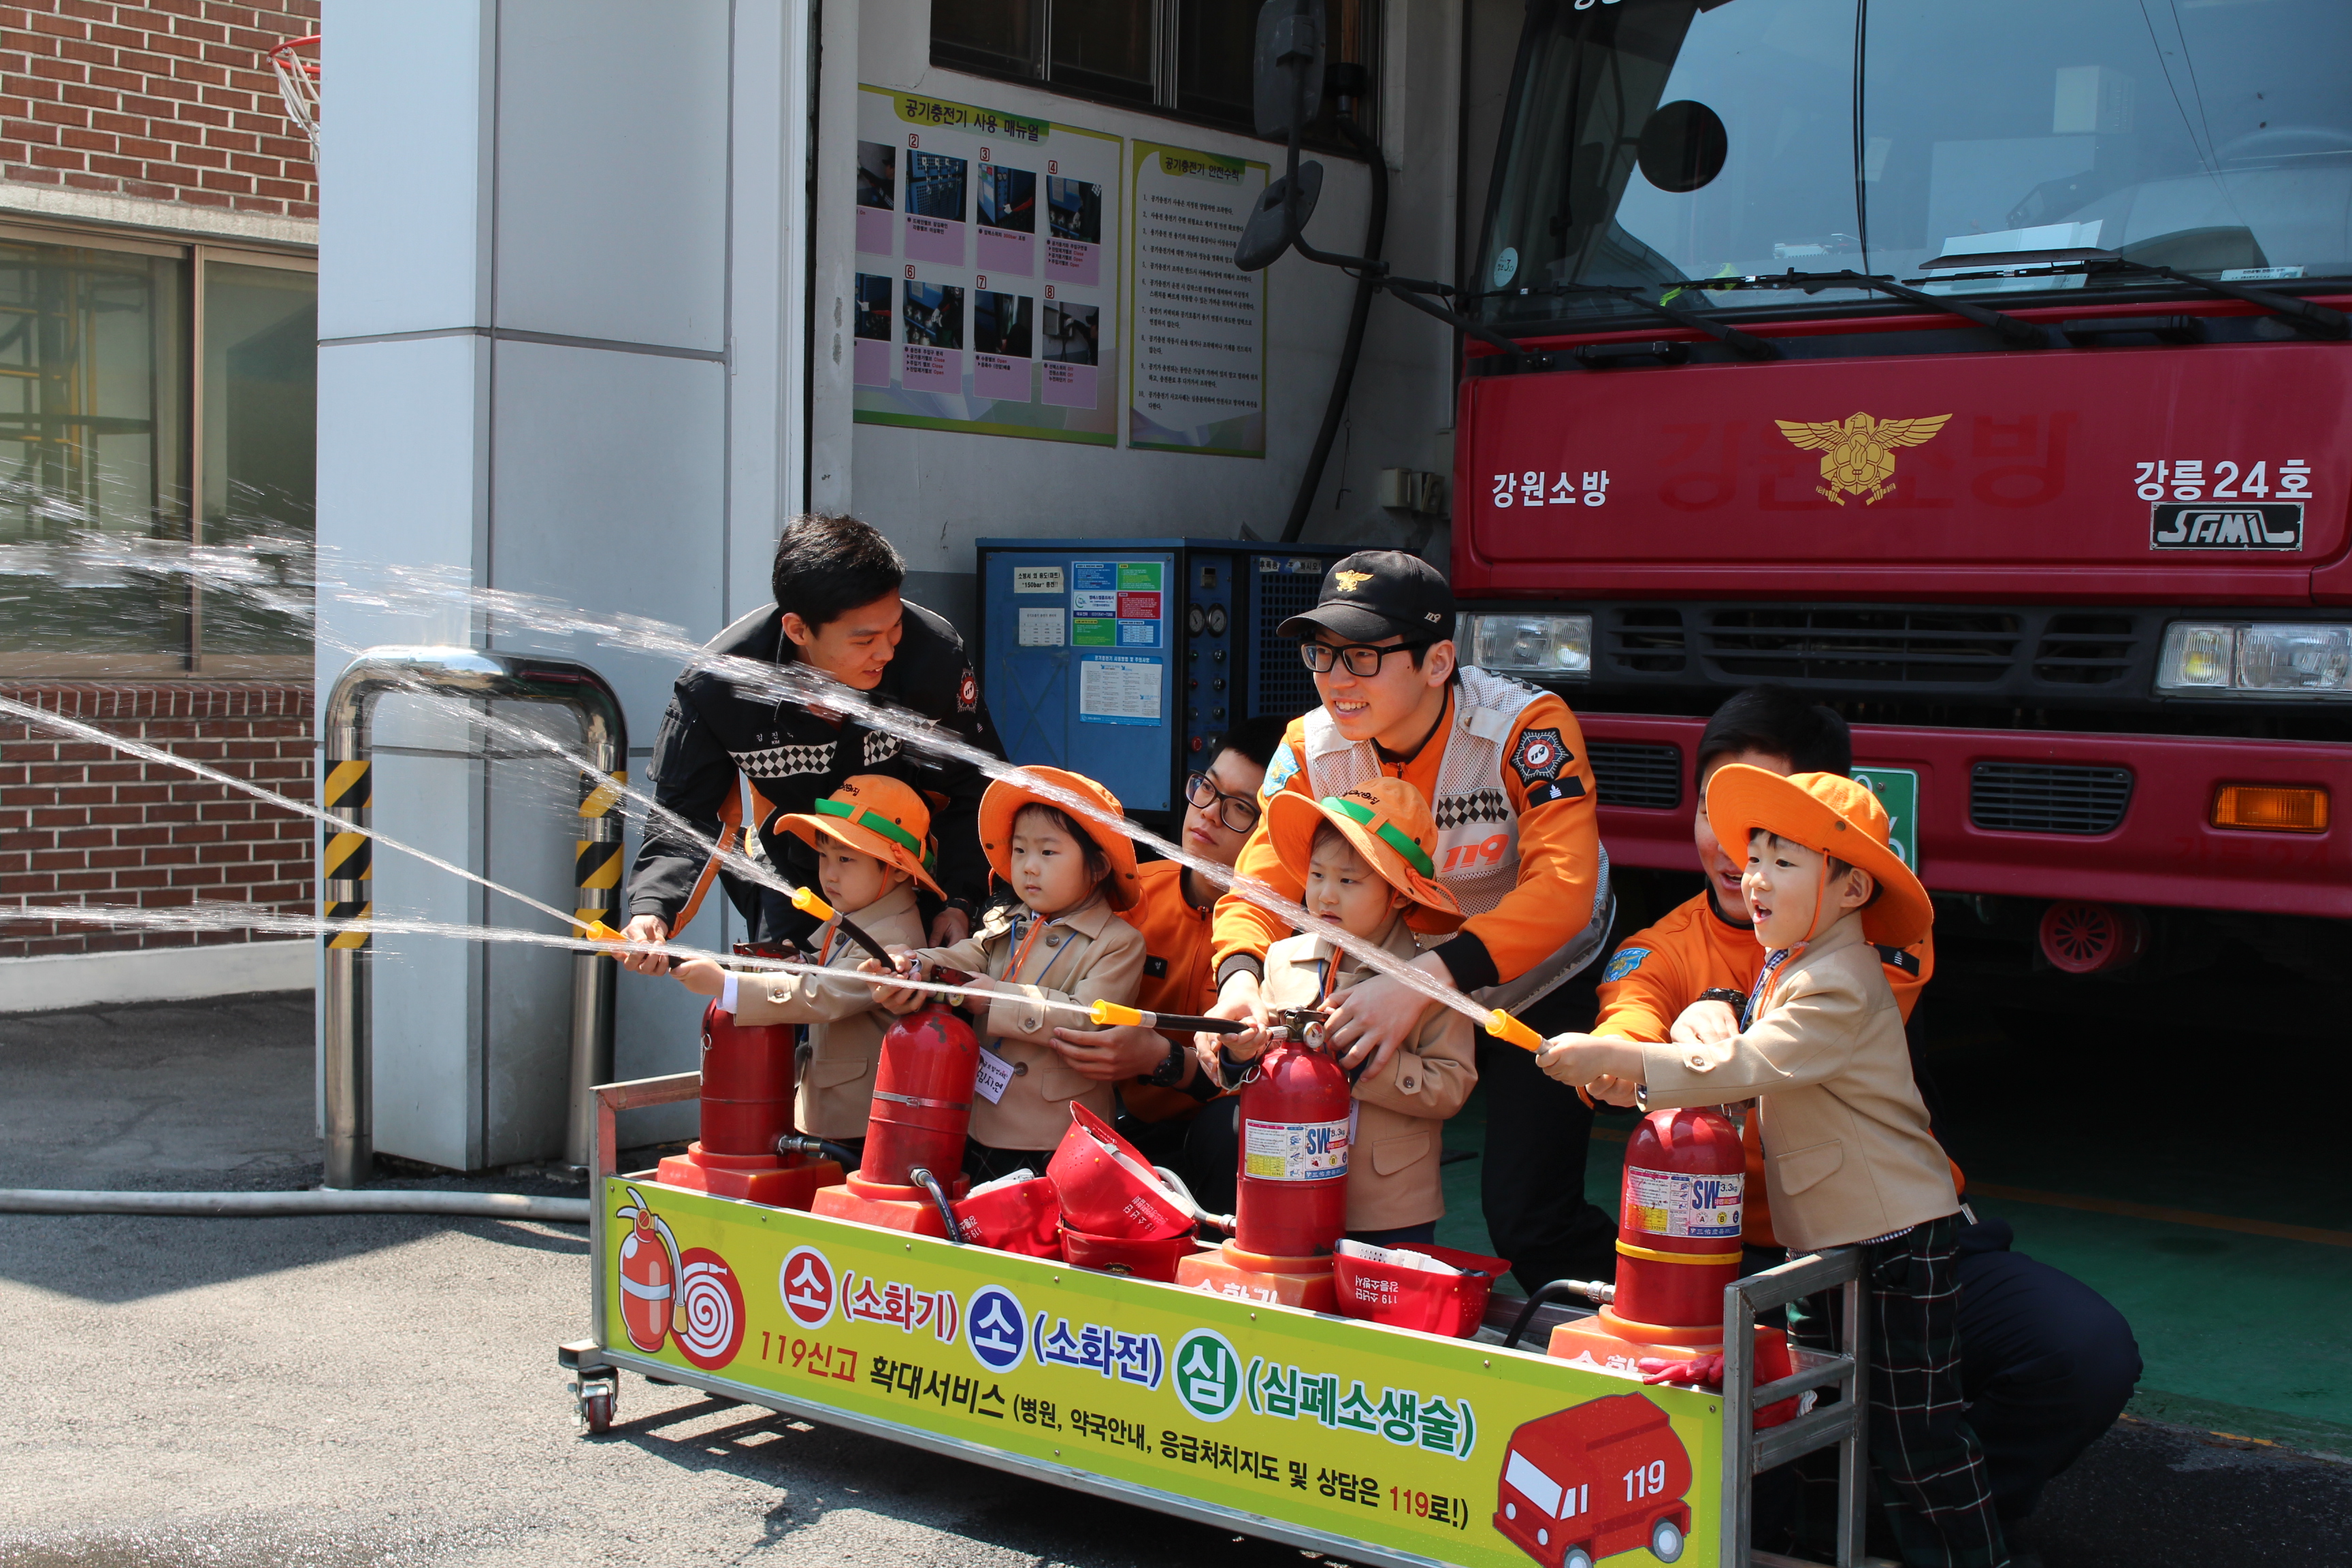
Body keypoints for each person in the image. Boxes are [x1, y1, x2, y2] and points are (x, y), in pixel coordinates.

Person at [1592, 685, 2138, 1538]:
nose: (1739, 856)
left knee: (2080, 1354)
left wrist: (1709, 1014)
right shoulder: (1658, 944)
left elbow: (1805, 1032)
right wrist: (1618, 1052)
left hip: (1898, 1242)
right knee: (1747, 1465)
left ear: (1843, 862)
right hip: (1738, 1258)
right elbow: (1625, 1019)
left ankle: (1924, 1526)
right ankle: (1849, 1520)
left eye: (1774, 838)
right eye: (1716, 814)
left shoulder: (1875, 932)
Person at [1539, 766, 2008, 1568]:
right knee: (1820, 1413)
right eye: (1753, 858)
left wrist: (1629, 1061)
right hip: (1832, 1239)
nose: (1754, 878)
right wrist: (1655, 1058)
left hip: (1895, 1239)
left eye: (1783, 862)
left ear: (1853, 887)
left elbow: (1752, 1063)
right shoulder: (1793, 964)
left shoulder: (1839, 981)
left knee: (1914, 1436)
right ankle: (1823, 1551)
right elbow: (1739, 1062)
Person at [1203, 550, 1616, 1288]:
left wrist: (1420, 982)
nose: (1337, 679)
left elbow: (1564, 889)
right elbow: (1257, 888)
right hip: (1386, 974)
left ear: (1438, 662)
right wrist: (1238, 981)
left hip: (1534, 978)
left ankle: (1613, 1338)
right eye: (1321, 653)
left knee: (1527, 1214)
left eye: (1363, 656)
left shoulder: (1524, 728)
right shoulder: (1307, 747)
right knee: (1256, 1150)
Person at [619, 513, 1005, 973]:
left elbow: (976, 788)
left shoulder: (933, 656)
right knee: (785, 991)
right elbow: (685, 811)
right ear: (798, 630)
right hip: (795, 871)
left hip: (912, 870)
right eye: (865, 640)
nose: (886, 651)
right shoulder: (720, 686)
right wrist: (654, 909)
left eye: (895, 628)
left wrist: (961, 899)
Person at [1235, 777, 1477, 1246]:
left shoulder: (1431, 982)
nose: (1326, 895)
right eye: (1317, 875)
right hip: (1283, 1185)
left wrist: (1363, 1063)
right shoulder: (1282, 958)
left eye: (1348, 881)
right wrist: (1237, 1051)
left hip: (1388, 1205)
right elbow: (1252, 1066)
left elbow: (1452, 1086)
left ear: (1399, 894)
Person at [875, 767, 1145, 1182]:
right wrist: (917, 962)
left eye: (1048, 853)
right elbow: (966, 955)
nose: (1029, 867)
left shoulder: (1118, 942)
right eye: (1019, 850)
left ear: (1098, 867)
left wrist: (997, 1000)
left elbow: (1090, 1017)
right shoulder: (1007, 920)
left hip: (1056, 1133)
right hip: (980, 1121)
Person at [1041, 718, 1289, 1162]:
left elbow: (1274, 1080)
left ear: (1273, 836)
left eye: (1239, 808)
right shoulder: (1130, 894)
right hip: (1113, 1121)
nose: (1207, 812)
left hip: (1222, 1138)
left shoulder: (1289, 938)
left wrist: (1163, 1060)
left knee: (1231, 1130)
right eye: (1207, 787)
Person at [665, 777, 938, 1160]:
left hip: (858, 1123)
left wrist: (727, 985)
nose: (829, 874)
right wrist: (798, 962)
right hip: (835, 1112)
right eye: (824, 856)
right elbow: (823, 970)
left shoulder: (892, 937)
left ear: (897, 869)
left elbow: (825, 995)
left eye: (845, 859)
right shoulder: (861, 914)